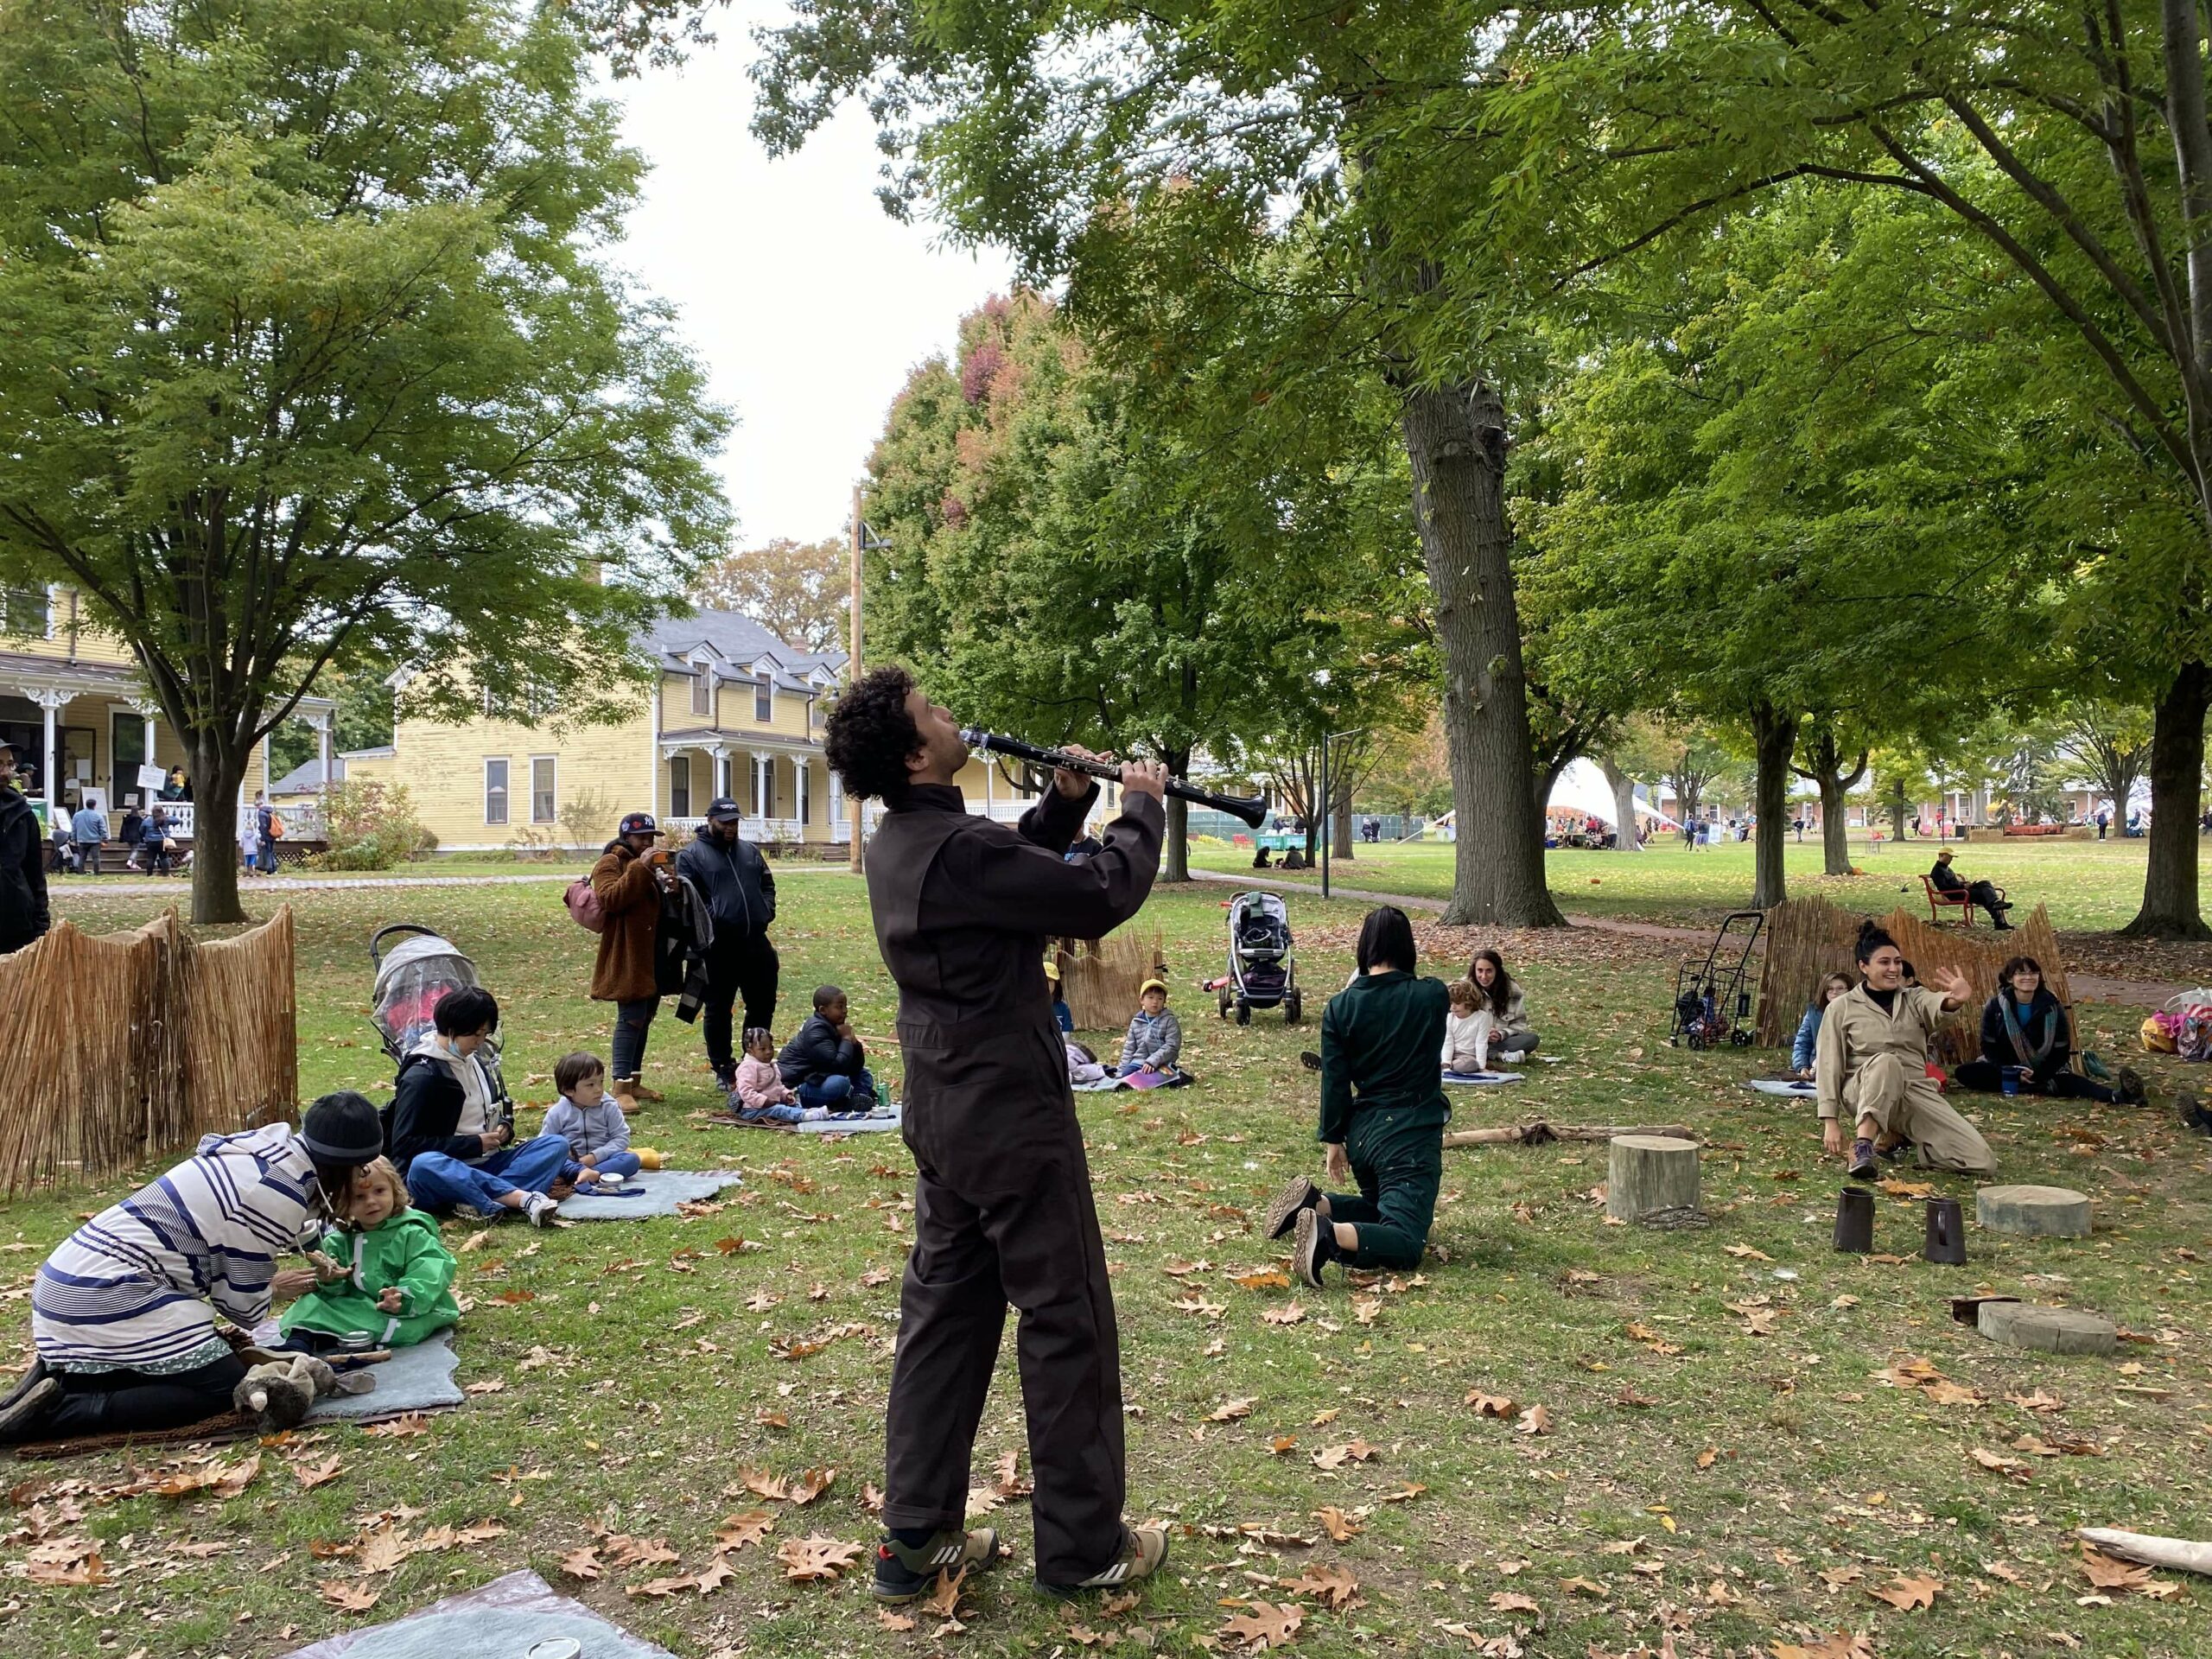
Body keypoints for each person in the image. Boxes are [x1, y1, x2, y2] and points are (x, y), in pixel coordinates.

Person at [823, 664, 1170, 1599]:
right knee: (1065, 1317)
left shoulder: (903, 841)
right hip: (1010, 1112)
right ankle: (1084, 1548)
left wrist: (1062, 807)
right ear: (914, 754)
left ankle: (915, 1539)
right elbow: (1095, 896)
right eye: (930, 711)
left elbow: (1004, 878)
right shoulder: (956, 847)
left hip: (943, 1109)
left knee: (945, 1316)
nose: (949, 713)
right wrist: (1139, 809)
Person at [0, 1093, 385, 1442]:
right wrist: (272, 1289)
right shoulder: (275, 1194)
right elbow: (241, 1308)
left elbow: (283, 1227)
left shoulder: (270, 1149)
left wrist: (304, 1261)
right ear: (345, 1166)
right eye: (361, 1170)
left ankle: (64, 1378)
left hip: (67, 1285)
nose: (361, 1178)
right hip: (105, 1293)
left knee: (201, 1359)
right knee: (222, 1386)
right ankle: (59, 1412)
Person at [1268, 906, 1452, 1291]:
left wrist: (1334, 1140)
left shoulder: (1341, 1006)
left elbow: (1335, 1080)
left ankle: (1315, 1206)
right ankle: (1327, 1233)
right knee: (1406, 1239)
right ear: (1408, 947)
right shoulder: (1432, 995)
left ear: (1364, 947)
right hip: (1409, 1132)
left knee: (1381, 1208)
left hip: (1364, 1132)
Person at [1815, 921, 1996, 1180]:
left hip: (1914, 1090)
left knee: (1981, 1161)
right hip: (1863, 1089)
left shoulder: (1914, 998)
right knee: (1887, 1062)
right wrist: (1830, 1121)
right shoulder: (1841, 1007)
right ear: (1864, 967)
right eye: (1884, 962)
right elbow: (1828, 1065)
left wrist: (1955, 1000)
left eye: (1897, 962)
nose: (1893, 968)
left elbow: (1936, 1005)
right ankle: (1863, 1146)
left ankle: (1900, 1135)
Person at [386, 987, 567, 1225]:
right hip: (446, 1168)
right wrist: (474, 1144)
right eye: (476, 1035)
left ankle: (478, 1199)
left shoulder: (475, 1062)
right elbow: (404, 1145)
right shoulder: (423, 1076)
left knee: (555, 1145)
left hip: (487, 1163)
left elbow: (492, 1110)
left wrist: (504, 1127)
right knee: (424, 1164)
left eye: (485, 1034)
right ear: (453, 1030)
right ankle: (517, 1198)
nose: (481, 1042)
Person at [276, 1155, 461, 1354]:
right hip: (357, 1304)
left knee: (400, 1326)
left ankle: (334, 1339)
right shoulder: (338, 1241)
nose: (371, 1201)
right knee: (311, 1303)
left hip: (400, 1309)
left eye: (379, 1191)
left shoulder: (412, 1233)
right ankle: (298, 1343)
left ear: (394, 1190)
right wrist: (331, 1279)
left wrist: (403, 1296)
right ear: (343, 1202)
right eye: (359, 1197)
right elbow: (336, 1290)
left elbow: (431, 1270)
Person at [676, 797, 779, 1091]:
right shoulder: (691, 855)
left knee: (762, 1004)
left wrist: (766, 909)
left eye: (734, 822)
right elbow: (688, 899)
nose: (731, 828)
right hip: (717, 946)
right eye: (725, 823)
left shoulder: (749, 852)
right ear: (710, 820)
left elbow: (767, 884)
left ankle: (753, 1062)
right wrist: (715, 919)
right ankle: (723, 1066)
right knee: (719, 1009)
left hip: (755, 941)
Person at [1954, 957, 2144, 1104]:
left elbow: (2061, 1050)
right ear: (2010, 978)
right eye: (2021, 973)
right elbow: (1989, 1047)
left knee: (2072, 1082)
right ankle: (2036, 1087)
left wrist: (2039, 1074)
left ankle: (2119, 1097)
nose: (2028, 977)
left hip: (2044, 1069)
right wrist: (2012, 1071)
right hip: (2007, 1068)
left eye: (2033, 972)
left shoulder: (2052, 1007)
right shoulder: (1995, 1006)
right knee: (1965, 1072)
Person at [590, 810, 677, 1110]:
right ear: (626, 837)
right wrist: (640, 868)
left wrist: (673, 887)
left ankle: (635, 1081)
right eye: (641, 837)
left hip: (652, 954)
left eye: (651, 837)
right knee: (631, 1019)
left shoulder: (649, 865)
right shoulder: (610, 862)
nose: (648, 842)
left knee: (645, 1017)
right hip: (627, 954)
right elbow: (610, 898)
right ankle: (620, 1086)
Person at [543, 1052, 645, 1188]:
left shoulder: (609, 1106)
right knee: (548, 1161)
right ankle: (578, 1174)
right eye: (590, 1085)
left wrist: (595, 1157)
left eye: (601, 1082)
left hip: (603, 1161)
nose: (598, 1089)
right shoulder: (557, 1112)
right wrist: (568, 1158)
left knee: (631, 1159)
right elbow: (544, 1145)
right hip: (571, 1163)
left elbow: (621, 1138)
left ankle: (592, 1175)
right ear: (568, 1090)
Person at [777, 984, 878, 1113]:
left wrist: (855, 1044)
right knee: (839, 1084)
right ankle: (846, 1100)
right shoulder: (815, 1030)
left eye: (845, 1006)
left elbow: (856, 1066)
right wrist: (846, 1039)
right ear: (823, 1010)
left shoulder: (834, 1026)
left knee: (864, 1074)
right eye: (839, 1007)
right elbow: (837, 1065)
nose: (845, 1011)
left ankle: (857, 1098)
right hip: (798, 1085)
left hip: (819, 1076)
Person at [0, 746, 49, 955]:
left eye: (9, 764)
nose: (5, 772)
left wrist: (40, 924)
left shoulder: (22, 814)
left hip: (15, 930)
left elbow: (34, 874)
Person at [733, 1027, 814, 1125]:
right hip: (752, 1109)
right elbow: (746, 1091)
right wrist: (763, 1101)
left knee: (794, 1101)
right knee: (779, 1110)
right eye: (762, 1049)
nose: (768, 1052)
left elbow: (777, 1086)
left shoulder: (771, 1065)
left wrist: (785, 1094)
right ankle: (804, 1115)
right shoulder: (748, 1067)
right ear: (750, 1051)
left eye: (771, 1047)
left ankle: (806, 1112)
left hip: (772, 1103)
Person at [1468, 949, 1539, 1058]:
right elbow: (1453, 1021)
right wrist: (1480, 1032)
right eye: (1480, 971)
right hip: (1469, 1040)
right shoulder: (1465, 988)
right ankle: (1497, 1055)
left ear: (1497, 971)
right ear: (1474, 970)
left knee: (1531, 1039)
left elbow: (1520, 1025)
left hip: (1498, 1042)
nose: (1484, 976)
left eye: (1489, 971)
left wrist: (1501, 1034)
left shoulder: (1513, 991)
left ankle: (1487, 1052)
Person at [1929, 848, 2012, 929]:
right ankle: (1999, 920)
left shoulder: (1946, 868)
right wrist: (1963, 886)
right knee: (1984, 895)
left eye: (1952, 857)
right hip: (1954, 894)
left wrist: (1965, 884)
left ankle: (1996, 903)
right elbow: (1944, 888)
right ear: (1941, 856)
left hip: (1960, 890)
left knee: (1985, 883)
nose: (1951, 859)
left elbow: (1954, 883)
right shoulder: (1937, 871)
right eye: (1949, 857)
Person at [1115, 979, 1181, 1077]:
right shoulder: (1136, 1021)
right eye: (1150, 997)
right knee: (1127, 1076)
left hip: (1162, 1062)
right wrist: (1122, 1070)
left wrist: (1152, 1061)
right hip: (1139, 1062)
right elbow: (1129, 1048)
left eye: (1160, 999)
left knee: (1163, 1078)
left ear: (1164, 1001)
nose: (1155, 1002)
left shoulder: (1169, 1020)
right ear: (1142, 1000)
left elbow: (1172, 1046)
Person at [1791, 972, 1853, 1078]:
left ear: (1849, 990)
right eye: (1830, 989)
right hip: (1821, 1061)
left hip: (1850, 1061)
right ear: (1825, 991)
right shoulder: (1814, 1013)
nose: (1835, 992)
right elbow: (1803, 1042)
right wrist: (1802, 1066)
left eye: (1840, 988)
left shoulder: (1858, 1012)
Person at [1440, 977, 1493, 1076]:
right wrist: (1446, 1064)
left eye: (1457, 1003)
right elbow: (1448, 1041)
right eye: (1450, 1003)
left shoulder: (1481, 1017)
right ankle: (1444, 1065)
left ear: (1469, 1002)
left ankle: (1443, 1066)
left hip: (1468, 1057)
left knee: (1470, 1064)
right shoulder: (1450, 1018)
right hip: (1451, 1054)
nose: (1453, 1007)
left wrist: (1481, 1068)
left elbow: (1481, 1043)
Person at [67, 801, 105, 876]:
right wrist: (104, 838)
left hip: (82, 840)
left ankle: (81, 872)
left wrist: (74, 839)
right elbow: (102, 828)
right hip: (95, 840)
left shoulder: (77, 815)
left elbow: (74, 828)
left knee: (82, 858)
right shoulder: (98, 815)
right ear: (95, 805)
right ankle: (96, 872)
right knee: (96, 857)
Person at [141, 806, 175, 875]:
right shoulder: (166, 819)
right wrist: (167, 816)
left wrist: (145, 836)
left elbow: (141, 830)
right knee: (164, 857)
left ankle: (149, 874)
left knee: (151, 858)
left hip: (151, 841)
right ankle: (165, 874)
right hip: (163, 841)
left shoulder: (147, 820)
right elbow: (177, 820)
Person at [1045, 957, 1073, 1033]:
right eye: (1043, 979)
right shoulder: (1031, 1008)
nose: (1046, 984)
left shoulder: (1063, 1008)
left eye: (1049, 980)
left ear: (1056, 983)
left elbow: (1066, 1033)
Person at [255, 791, 278, 874]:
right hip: (272, 834)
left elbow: (263, 827)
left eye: (256, 806)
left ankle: (270, 869)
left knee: (268, 852)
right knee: (271, 851)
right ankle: (274, 868)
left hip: (267, 836)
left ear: (258, 806)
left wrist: (263, 839)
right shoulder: (269, 812)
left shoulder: (261, 813)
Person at [238, 804, 260, 874]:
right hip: (254, 851)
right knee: (253, 861)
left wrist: (243, 847)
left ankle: (247, 870)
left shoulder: (243, 836)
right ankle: (252, 871)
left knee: (247, 861)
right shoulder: (255, 835)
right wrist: (260, 844)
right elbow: (258, 842)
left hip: (246, 851)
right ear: (252, 829)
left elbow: (240, 845)